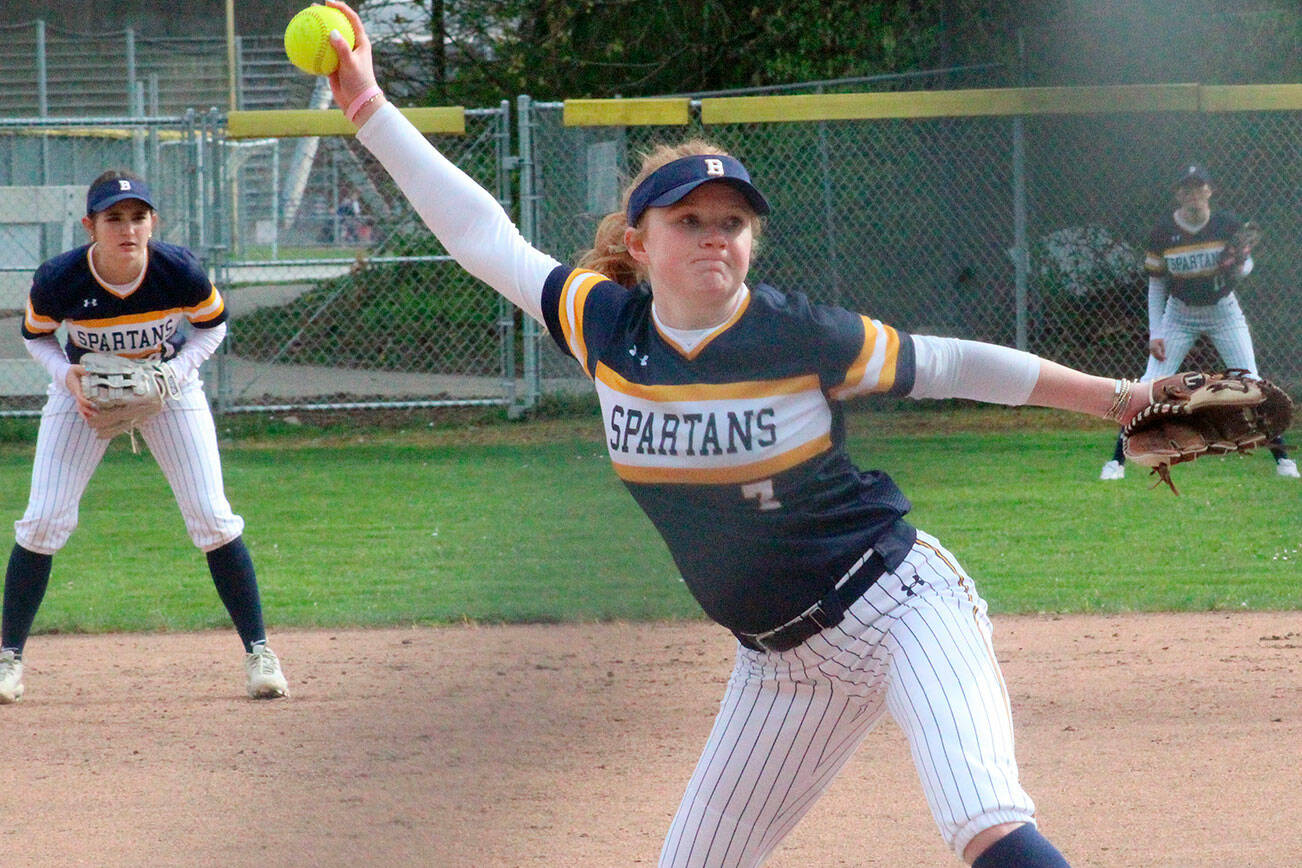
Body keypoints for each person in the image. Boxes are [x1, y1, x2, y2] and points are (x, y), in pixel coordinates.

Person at [323, 4, 1167, 864]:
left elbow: (951, 365)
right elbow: (480, 237)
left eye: (732, 221)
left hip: (900, 606)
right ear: (638, 244)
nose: (715, 236)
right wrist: (368, 111)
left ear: (753, 241)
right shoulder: (604, 327)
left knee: (982, 819)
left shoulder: (798, 335)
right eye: (689, 220)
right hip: (778, 668)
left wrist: (1117, 401)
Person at [0, 170, 289, 703]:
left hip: (168, 387)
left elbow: (213, 327)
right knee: (43, 520)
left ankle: (260, 653)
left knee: (212, 517)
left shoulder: (178, 271)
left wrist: (173, 375)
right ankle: (7, 659)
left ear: (152, 222)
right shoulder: (60, 279)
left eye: (138, 216)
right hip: (83, 392)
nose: (127, 228)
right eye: (114, 218)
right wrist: (67, 377)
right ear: (91, 225)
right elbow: (37, 339)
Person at [1100, 163, 1297, 480]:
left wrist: (1239, 265)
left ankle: (1284, 461)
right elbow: (1157, 284)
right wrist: (1157, 331)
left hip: (1224, 312)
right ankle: (1116, 462)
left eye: (1199, 187)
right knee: (1149, 386)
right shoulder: (1164, 232)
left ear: (1210, 191)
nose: (1193, 194)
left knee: (1252, 383)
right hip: (1179, 314)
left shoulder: (1226, 225)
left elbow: (1245, 267)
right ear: (1178, 195)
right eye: (1187, 189)